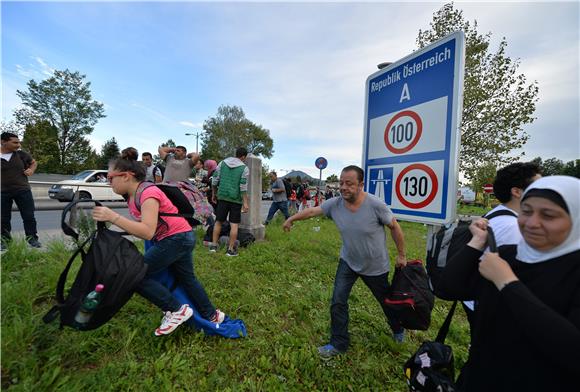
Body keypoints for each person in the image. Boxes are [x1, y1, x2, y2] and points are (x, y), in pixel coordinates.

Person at [438, 175, 580, 391]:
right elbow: (448, 288)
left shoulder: (572, 271)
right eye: (526, 211)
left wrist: (507, 282)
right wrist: (477, 241)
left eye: (548, 215)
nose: (531, 223)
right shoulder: (507, 254)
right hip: (479, 377)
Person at [91, 148, 225, 336]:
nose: (108, 182)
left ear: (127, 176)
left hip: (176, 238)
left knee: (134, 274)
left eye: (110, 177)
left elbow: (147, 231)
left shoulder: (147, 193)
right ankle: (211, 314)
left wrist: (112, 217)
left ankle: (176, 309)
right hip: (182, 236)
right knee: (187, 279)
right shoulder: (133, 195)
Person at [283, 165, 407, 359]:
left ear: (361, 185)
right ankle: (339, 343)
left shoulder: (376, 205)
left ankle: (398, 329)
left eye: (349, 183)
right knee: (338, 301)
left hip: (375, 266)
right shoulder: (335, 204)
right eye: (341, 183)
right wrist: (291, 219)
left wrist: (401, 255)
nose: (343, 187)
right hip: (348, 261)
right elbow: (312, 212)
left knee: (386, 302)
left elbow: (395, 227)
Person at [461, 162, 541, 335]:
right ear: (517, 192)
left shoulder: (495, 214)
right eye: (538, 185)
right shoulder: (514, 227)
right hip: (493, 306)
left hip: (475, 300)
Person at [1, 132, 41, 249]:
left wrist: (31, 170)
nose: (18, 145)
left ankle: (32, 239)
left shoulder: (21, 154)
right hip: (2, 192)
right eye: (15, 142)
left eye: (19, 142)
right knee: (3, 218)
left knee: (29, 216)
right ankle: (5, 241)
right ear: (3, 142)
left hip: (23, 190)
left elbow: (33, 163)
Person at [209, 147, 249, 257]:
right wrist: (245, 202)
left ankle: (213, 246)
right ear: (243, 157)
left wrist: (214, 193)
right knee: (234, 225)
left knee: (218, 222)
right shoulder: (244, 168)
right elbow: (243, 187)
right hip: (235, 199)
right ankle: (230, 250)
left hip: (222, 197)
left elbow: (215, 180)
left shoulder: (222, 163)